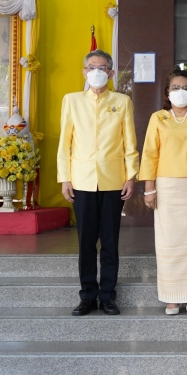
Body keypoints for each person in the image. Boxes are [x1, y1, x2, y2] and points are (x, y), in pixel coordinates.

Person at [57, 49, 139, 317]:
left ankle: (108, 296)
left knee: (110, 242)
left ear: (111, 72)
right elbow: (64, 143)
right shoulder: (71, 100)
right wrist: (65, 178)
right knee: (86, 243)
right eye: (92, 67)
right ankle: (87, 296)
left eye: (103, 67)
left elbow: (130, 142)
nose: (97, 71)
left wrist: (131, 175)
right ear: (84, 72)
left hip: (114, 180)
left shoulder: (122, 101)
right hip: (81, 181)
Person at [141, 69, 187, 315]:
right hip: (167, 187)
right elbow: (150, 153)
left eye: (186, 88)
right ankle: (172, 297)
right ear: (167, 92)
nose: (180, 92)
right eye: (175, 87)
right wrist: (149, 188)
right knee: (168, 242)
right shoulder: (158, 118)